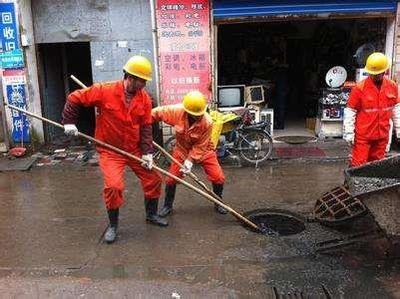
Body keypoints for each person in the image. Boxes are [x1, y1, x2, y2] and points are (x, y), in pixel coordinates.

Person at [62, 55, 168, 244]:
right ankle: (113, 225)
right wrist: (69, 122)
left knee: (153, 179)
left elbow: (145, 128)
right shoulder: (105, 91)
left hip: (134, 149)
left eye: (145, 81)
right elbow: (74, 98)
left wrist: (147, 153)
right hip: (110, 149)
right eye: (141, 81)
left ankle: (151, 215)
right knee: (113, 187)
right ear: (130, 77)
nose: (143, 85)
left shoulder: (144, 100)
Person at [151, 91, 228, 217]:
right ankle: (167, 206)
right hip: (182, 150)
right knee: (171, 179)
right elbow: (155, 113)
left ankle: (218, 202)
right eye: (195, 115)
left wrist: (189, 161)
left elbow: (200, 146)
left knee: (218, 177)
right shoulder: (176, 112)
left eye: (200, 114)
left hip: (204, 150)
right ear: (188, 111)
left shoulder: (207, 122)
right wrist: (139, 124)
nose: (198, 117)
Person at [343, 52, 400, 167]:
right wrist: (349, 132)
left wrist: (399, 129)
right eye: (373, 73)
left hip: (382, 136)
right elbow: (350, 111)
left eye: (378, 73)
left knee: (377, 166)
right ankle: (355, 185)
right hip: (363, 137)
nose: (375, 76)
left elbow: (396, 109)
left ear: (384, 71)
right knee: (359, 166)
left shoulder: (392, 86)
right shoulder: (359, 88)